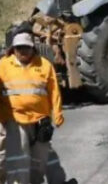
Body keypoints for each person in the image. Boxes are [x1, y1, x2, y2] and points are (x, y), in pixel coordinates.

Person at [0, 33, 69, 184]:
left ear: (33, 48)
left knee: (39, 159)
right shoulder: (3, 65)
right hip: (15, 120)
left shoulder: (44, 65)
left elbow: (54, 91)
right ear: (13, 49)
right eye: (19, 48)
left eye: (27, 47)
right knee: (19, 160)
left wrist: (57, 113)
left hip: (40, 121)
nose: (23, 51)